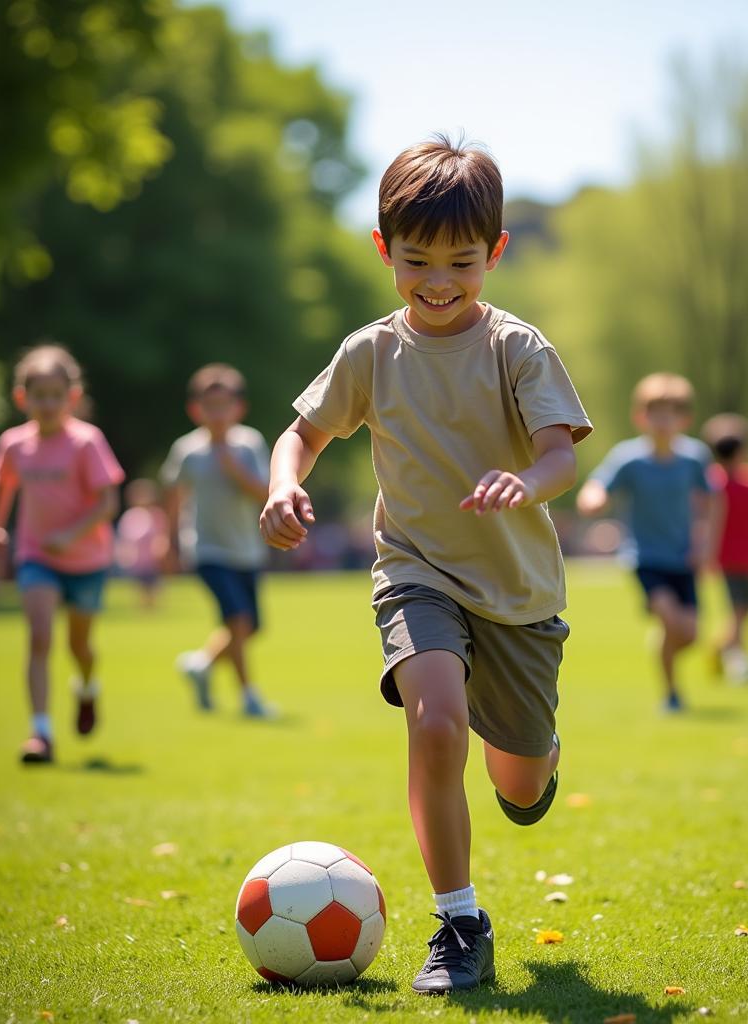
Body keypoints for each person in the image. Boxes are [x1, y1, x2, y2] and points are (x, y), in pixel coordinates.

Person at [259, 136, 592, 994]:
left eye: (461, 261)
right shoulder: (371, 352)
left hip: (518, 594)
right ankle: (459, 919)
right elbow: (301, 432)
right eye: (416, 260)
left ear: (496, 254)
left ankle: (539, 754)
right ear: (383, 250)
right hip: (415, 572)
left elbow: (562, 457)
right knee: (435, 721)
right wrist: (283, 485)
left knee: (517, 781)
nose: (438, 281)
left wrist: (525, 481)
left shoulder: (517, 348)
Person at [0, 345, 124, 763]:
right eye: (38, 395)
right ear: (21, 397)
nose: (46, 404)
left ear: (72, 398)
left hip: (87, 560)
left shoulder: (86, 442)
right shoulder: (13, 444)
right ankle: (40, 734)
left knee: (80, 646)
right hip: (36, 556)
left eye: (55, 395)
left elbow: (107, 503)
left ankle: (86, 687)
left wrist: (70, 534)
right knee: (40, 636)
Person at [577, 373, 710, 711]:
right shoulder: (629, 458)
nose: (663, 422)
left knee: (689, 634)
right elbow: (598, 485)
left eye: (671, 414)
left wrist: (704, 541)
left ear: (685, 419)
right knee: (670, 619)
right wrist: (592, 498)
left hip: (683, 557)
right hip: (646, 556)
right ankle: (672, 694)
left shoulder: (695, 458)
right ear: (641, 417)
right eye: (656, 414)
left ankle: (663, 648)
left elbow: (710, 501)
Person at [162, 364, 275, 718]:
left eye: (224, 405)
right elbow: (174, 496)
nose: (217, 414)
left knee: (251, 626)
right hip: (207, 549)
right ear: (196, 410)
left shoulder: (250, 444)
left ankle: (201, 664)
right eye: (210, 406)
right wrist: (168, 543)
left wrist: (233, 467)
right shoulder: (187, 451)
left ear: (238, 408)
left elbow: (264, 492)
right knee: (238, 620)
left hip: (247, 549)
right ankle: (249, 697)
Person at [701, 413, 748, 682]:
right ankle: (734, 657)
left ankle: (725, 649)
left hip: (731, 555)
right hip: (743, 555)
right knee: (741, 610)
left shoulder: (714, 481)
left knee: (742, 610)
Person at [115, 478, 169, 608]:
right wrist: (124, 553)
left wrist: (161, 548)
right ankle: (144, 607)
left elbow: (162, 534)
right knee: (140, 585)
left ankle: (152, 607)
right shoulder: (130, 516)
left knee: (153, 584)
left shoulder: (156, 514)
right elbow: (125, 537)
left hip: (152, 558)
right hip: (137, 559)